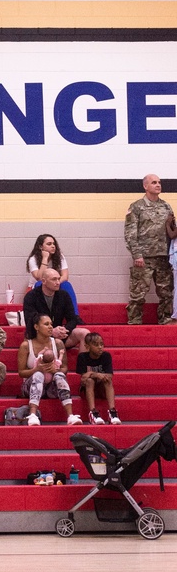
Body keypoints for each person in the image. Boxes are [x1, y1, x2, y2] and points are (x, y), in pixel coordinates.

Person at [125, 173, 175, 325]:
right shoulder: (136, 207)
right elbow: (130, 233)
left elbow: (172, 231)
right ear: (145, 186)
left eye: (159, 182)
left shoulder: (166, 206)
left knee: (166, 293)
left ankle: (165, 320)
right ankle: (134, 321)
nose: (158, 185)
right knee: (138, 294)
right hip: (144, 258)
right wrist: (137, 255)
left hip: (163, 257)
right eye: (154, 182)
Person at [17, 314, 82, 426]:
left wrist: (55, 370)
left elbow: (65, 368)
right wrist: (36, 369)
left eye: (51, 324)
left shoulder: (58, 343)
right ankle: (32, 415)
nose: (51, 327)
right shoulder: (26, 345)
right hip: (31, 387)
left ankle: (71, 416)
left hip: (52, 388)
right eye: (46, 324)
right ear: (36, 327)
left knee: (60, 376)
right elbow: (21, 373)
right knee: (38, 374)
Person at [22, 268, 89, 350]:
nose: (58, 282)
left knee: (84, 333)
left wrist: (64, 329)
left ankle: (84, 362)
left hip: (59, 335)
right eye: (54, 279)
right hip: (39, 336)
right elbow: (31, 321)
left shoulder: (64, 295)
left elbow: (72, 319)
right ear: (44, 281)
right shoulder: (31, 296)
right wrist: (51, 331)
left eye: (58, 279)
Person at [76, 332, 121, 425]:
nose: (100, 347)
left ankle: (112, 412)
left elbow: (109, 376)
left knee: (108, 380)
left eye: (101, 344)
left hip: (102, 389)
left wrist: (92, 374)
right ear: (87, 347)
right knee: (89, 381)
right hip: (86, 389)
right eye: (96, 345)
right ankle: (93, 412)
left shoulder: (106, 356)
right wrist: (96, 375)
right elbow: (83, 378)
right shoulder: (82, 357)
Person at [26, 234, 78, 313]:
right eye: (49, 244)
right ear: (40, 247)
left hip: (55, 284)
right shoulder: (33, 259)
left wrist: (54, 283)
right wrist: (45, 258)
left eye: (54, 244)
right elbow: (39, 278)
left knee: (66, 284)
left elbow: (65, 276)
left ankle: (75, 315)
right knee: (40, 283)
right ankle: (44, 317)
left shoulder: (60, 257)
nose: (53, 246)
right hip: (38, 286)